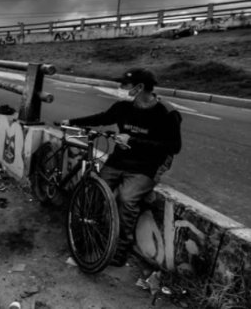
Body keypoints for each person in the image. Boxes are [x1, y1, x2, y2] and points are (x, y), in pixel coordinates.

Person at [61, 68, 182, 267]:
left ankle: (119, 250)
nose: (120, 88)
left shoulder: (167, 112)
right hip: (119, 160)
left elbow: (174, 147)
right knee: (95, 191)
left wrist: (133, 141)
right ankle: (87, 236)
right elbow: (102, 118)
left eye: (124, 85)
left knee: (126, 199)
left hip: (147, 166)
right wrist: (72, 123)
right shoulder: (123, 106)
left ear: (139, 87)